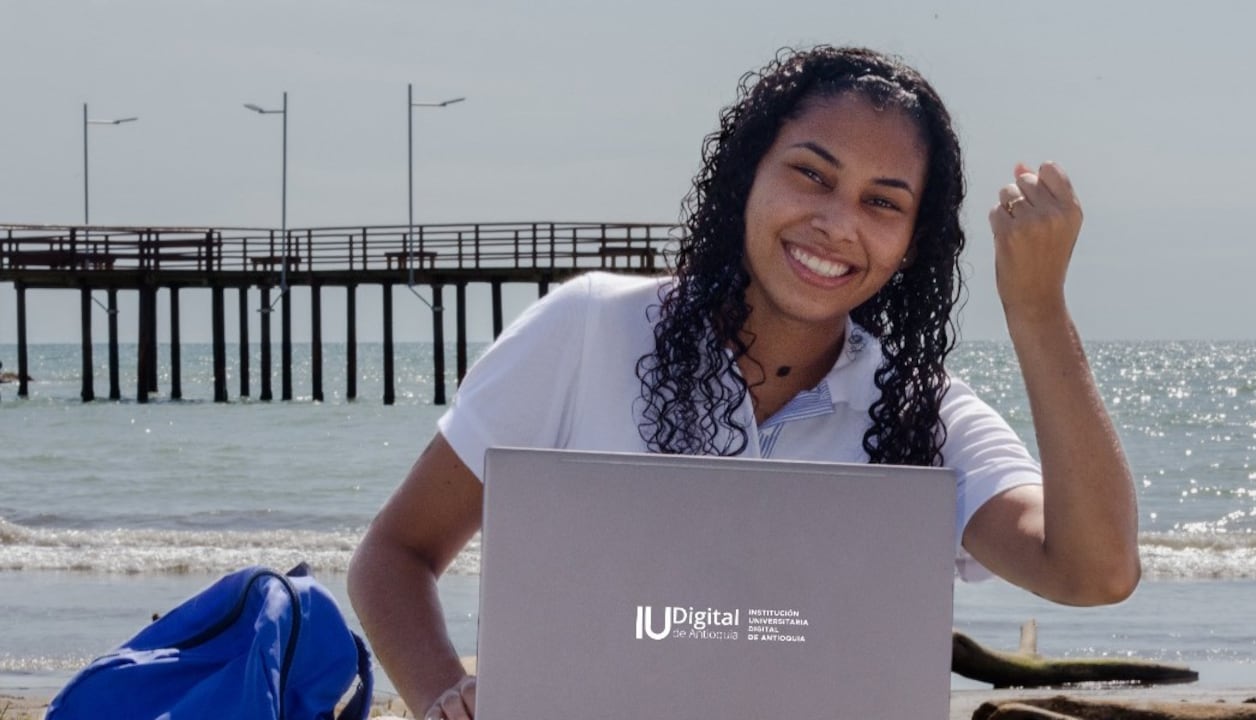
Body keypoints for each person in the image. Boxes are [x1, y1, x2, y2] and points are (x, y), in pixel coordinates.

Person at [348, 45, 1140, 720]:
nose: (837, 223)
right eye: (810, 174)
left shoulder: (922, 412)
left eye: (882, 202)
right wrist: (443, 694)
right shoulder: (588, 329)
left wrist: (1036, 309)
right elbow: (395, 552)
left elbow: (1094, 570)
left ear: (914, 241)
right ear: (746, 174)